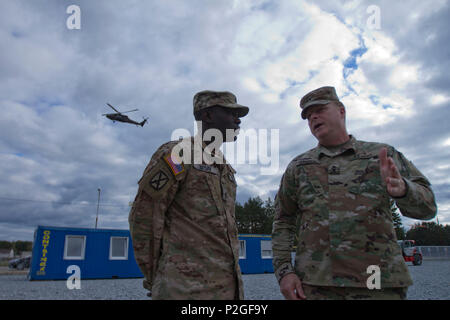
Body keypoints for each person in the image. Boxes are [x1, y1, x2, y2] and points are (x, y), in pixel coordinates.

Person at [272, 86, 437, 300]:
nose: (313, 117)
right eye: (308, 116)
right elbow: (283, 220)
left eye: (320, 109)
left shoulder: (381, 156)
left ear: (341, 111)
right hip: (316, 285)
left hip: (376, 280)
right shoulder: (299, 166)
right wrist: (284, 272)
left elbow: (429, 208)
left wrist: (404, 190)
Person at [128, 90, 248, 300]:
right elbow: (145, 215)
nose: (237, 120)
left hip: (227, 289)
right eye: (231, 113)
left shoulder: (224, 167)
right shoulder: (179, 153)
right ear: (207, 116)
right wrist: (158, 275)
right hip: (184, 291)